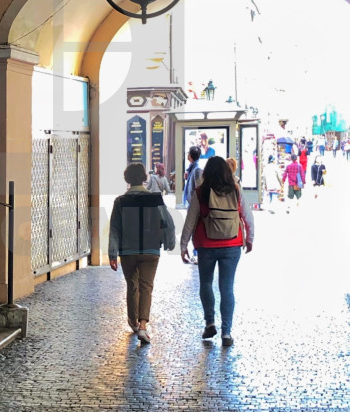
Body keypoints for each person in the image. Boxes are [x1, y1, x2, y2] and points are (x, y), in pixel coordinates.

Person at [180, 155, 252, 346]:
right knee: (227, 287)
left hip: (206, 245)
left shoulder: (201, 192)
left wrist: (183, 245)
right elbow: (247, 215)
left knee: (206, 283)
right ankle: (226, 332)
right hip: (232, 244)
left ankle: (210, 322)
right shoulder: (236, 190)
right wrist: (250, 239)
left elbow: (190, 220)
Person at [108, 163, 176, 344]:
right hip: (151, 250)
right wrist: (169, 244)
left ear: (127, 179)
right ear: (145, 178)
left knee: (132, 285)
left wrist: (113, 253)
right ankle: (143, 326)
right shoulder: (154, 199)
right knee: (147, 286)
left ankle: (133, 322)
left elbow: (114, 229)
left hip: (128, 250)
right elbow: (167, 222)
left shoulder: (120, 201)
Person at [181, 146, 202, 211]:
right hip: (191, 203)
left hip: (194, 205)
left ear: (190, 155)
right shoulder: (192, 168)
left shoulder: (197, 169)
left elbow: (198, 188)